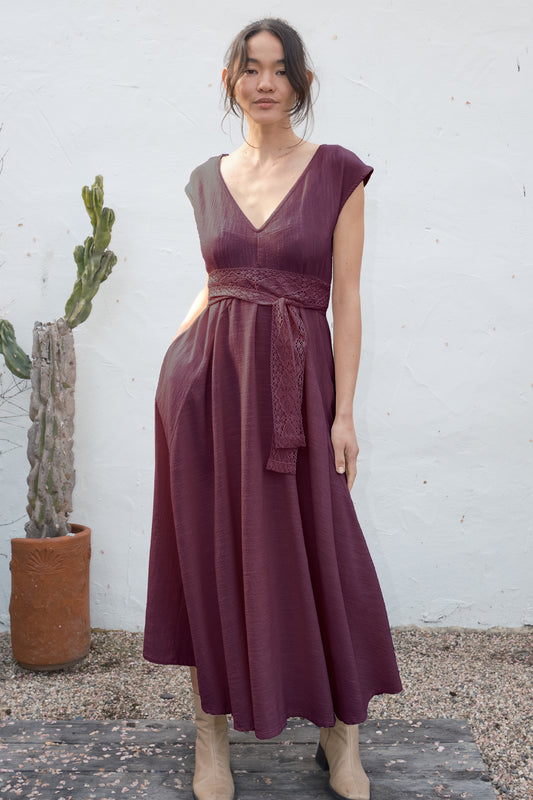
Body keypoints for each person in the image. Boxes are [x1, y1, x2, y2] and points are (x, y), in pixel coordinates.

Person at [143, 16, 403, 800]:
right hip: (207, 390)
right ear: (231, 81)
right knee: (214, 554)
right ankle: (210, 735)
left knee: (322, 549)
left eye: (279, 68)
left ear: (300, 83)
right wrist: (173, 364)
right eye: (249, 68)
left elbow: (347, 299)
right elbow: (218, 281)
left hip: (298, 388)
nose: (263, 82)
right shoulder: (203, 179)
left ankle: (339, 732)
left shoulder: (335, 173)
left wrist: (344, 413)